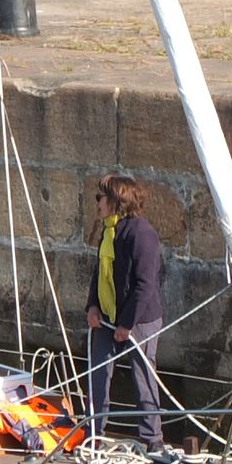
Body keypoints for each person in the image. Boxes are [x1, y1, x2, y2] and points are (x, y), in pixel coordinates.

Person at [85, 173, 165, 449]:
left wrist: (126, 324)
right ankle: (93, 436)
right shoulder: (109, 230)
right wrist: (93, 306)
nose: (97, 202)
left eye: (101, 197)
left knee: (143, 376)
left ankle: (152, 440)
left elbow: (145, 284)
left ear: (116, 201)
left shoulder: (142, 234)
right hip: (108, 315)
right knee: (98, 373)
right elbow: (100, 273)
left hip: (140, 319)